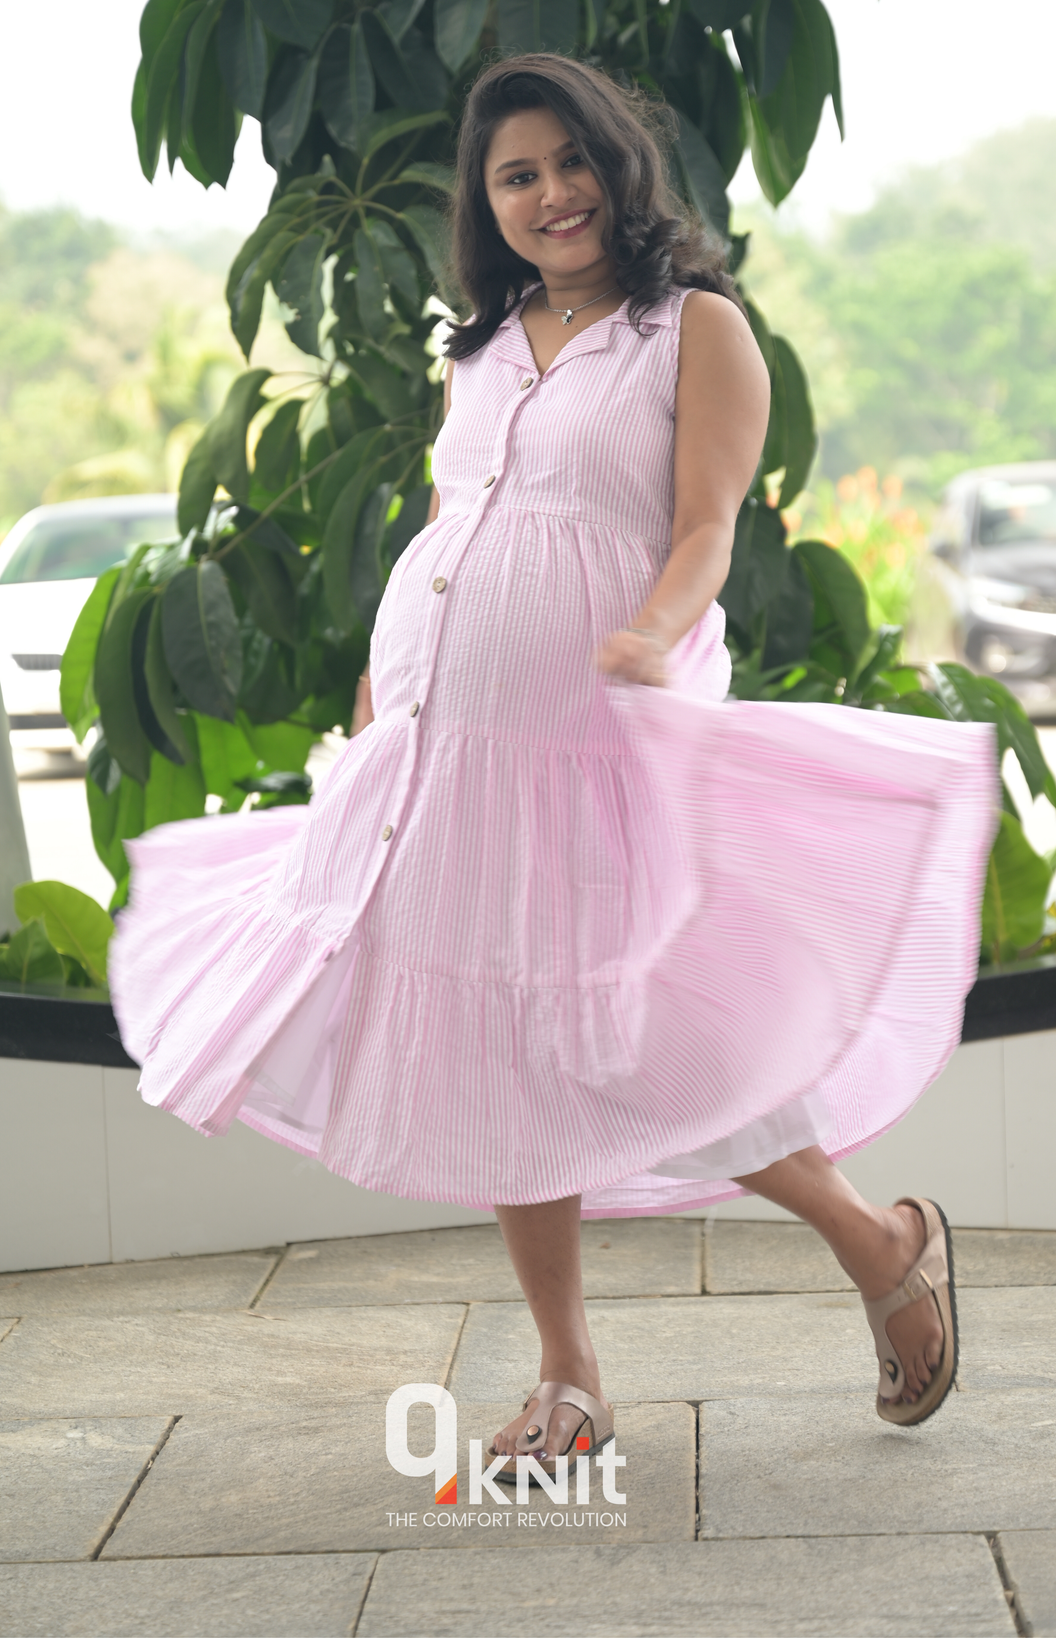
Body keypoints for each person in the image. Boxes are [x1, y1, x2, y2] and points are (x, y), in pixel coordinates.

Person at [110, 55, 996, 1477]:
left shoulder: (694, 328)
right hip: (441, 750)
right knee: (498, 1046)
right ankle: (569, 1375)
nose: (550, 194)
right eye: (516, 175)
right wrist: (385, 684)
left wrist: (651, 631)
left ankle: (878, 1243)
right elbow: (455, 522)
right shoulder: (480, 345)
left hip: (594, 747)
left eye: (570, 161)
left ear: (618, 165)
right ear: (487, 203)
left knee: (639, 1038)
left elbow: (706, 526)